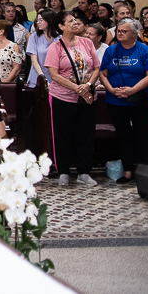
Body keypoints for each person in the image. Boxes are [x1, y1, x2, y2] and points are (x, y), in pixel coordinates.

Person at [97, 18, 148, 184]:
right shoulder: (111, 50)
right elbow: (102, 73)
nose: (119, 34)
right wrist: (110, 89)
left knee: (142, 136)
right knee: (123, 136)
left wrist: (133, 90)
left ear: (134, 33)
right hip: (115, 100)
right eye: (118, 31)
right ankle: (128, 170)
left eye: (124, 31)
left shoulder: (144, 50)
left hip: (139, 100)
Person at [45, 10, 101, 186]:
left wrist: (88, 86)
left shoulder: (86, 43)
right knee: (63, 135)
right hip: (62, 97)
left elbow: (96, 68)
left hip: (87, 96)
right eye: (71, 21)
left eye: (75, 20)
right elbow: (54, 74)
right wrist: (77, 88)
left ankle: (84, 172)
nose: (75, 23)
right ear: (61, 26)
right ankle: (63, 171)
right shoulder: (56, 47)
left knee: (86, 134)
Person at [25, 10, 54, 89]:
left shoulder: (59, 38)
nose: (38, 22)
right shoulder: (34, 37)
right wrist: (43, 79)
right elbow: (34, 61)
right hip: (38, 77)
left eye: (41, 20)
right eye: (38, 20)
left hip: (55, 78)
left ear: (49, 20)